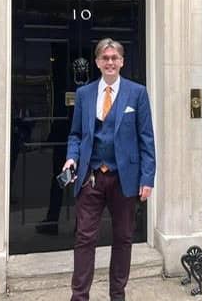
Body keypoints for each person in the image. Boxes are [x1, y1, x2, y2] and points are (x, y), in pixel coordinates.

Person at [63, 38, 156, 301]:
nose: (110, 62)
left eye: (115, 58)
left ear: (122, 62)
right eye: (105, 58)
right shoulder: (84, 94)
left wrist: (147, 178)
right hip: (91, 178)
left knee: (123, 238)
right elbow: (76, 135)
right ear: (97, 62)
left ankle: (118, 295)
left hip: (124, 179)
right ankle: (79, 296)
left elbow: (146, 138)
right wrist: (71, 158)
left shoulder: (137, 93)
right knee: (84, 239)